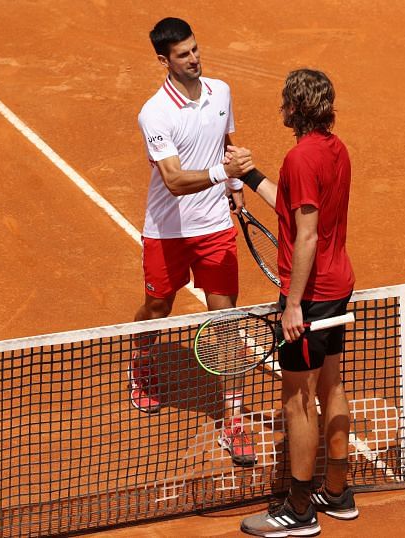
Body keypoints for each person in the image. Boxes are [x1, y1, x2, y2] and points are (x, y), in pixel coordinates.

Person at [131, 17, 258, 466]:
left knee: (225, 323)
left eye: (196, 49)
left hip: (215, 230)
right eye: (183, 54)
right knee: (158, 307)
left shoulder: (220, 92)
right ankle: (142, 361)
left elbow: (225, 140)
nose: (194, 59)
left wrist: (235, 189)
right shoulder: (155, 114)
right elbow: (172, 179)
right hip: (166, 232)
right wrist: (227, 174)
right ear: (164, 61)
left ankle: (234, 421)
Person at [239, 69, 358, 536]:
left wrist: (292, 305)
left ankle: (299, 510)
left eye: (283, 103)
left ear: (293, 108)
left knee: (297, 400)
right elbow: (294, 207)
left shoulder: (300, 158)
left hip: (311, 296)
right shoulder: (336, 150)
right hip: (338, 284)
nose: (281, 109)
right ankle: (337, 492)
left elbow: (305, 235)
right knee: (331, 384)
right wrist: (248, 174)